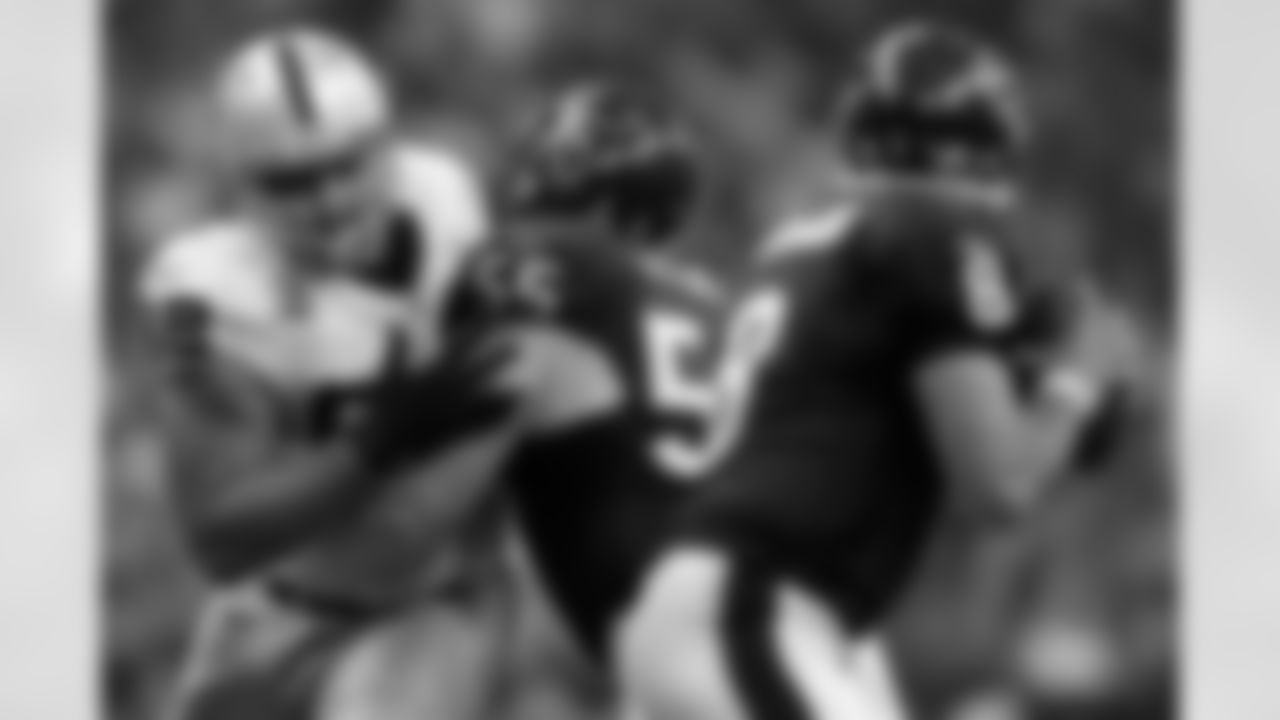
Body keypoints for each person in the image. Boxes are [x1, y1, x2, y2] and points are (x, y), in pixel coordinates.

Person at [617, 21, 1133, 720]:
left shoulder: (807, 244)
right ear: (981, 153)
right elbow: (998, 487)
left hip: (725, 606)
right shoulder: (932, 235)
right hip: (756, 607)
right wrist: (1077, 381)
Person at [141, 27, 516, 720]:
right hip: (272, 605)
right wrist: (383, 438)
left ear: (388, 144)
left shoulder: (448, 199)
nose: (331, 199)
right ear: (239, 183)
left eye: (349, 165)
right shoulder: (219, 295)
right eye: (292, 182)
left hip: (428, 599)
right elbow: (220, 538)